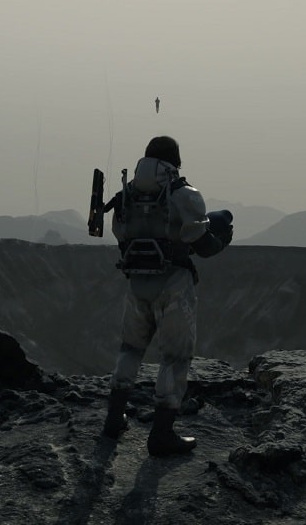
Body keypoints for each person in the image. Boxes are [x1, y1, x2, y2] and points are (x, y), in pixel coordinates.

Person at [102, 135, 232, 456]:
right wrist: (220, 239)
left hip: (137, 284)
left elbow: (121, 235)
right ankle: (162, 434)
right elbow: (203, 245)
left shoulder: (125, 195)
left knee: (130, 349)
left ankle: (113, 419)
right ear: (175, 162)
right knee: (174, 358)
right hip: (173, 285)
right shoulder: (184, 195)